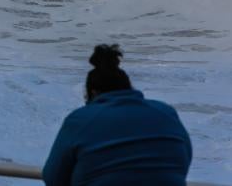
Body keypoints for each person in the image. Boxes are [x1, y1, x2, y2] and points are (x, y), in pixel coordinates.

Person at [43, 44, 192, 186]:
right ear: (129, 87)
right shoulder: (166, 112)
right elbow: (183, 160)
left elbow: (53, 178)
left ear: (93, 93)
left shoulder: (80, 120)